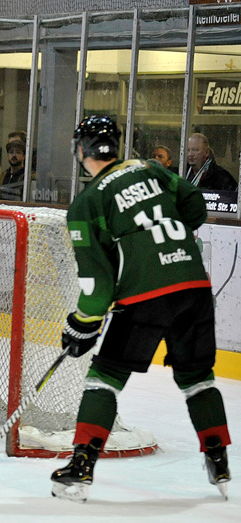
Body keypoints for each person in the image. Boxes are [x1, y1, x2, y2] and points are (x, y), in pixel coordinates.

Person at [50, 116, 231, 502]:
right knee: (198, 378)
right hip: (194, 287)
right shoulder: (150, 169)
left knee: (105, 377)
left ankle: (81, 466)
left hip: (144, 296)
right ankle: (218, 458)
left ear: (80, 150)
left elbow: (97, 285)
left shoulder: (86, 203)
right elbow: (195, 205)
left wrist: (82, 324)